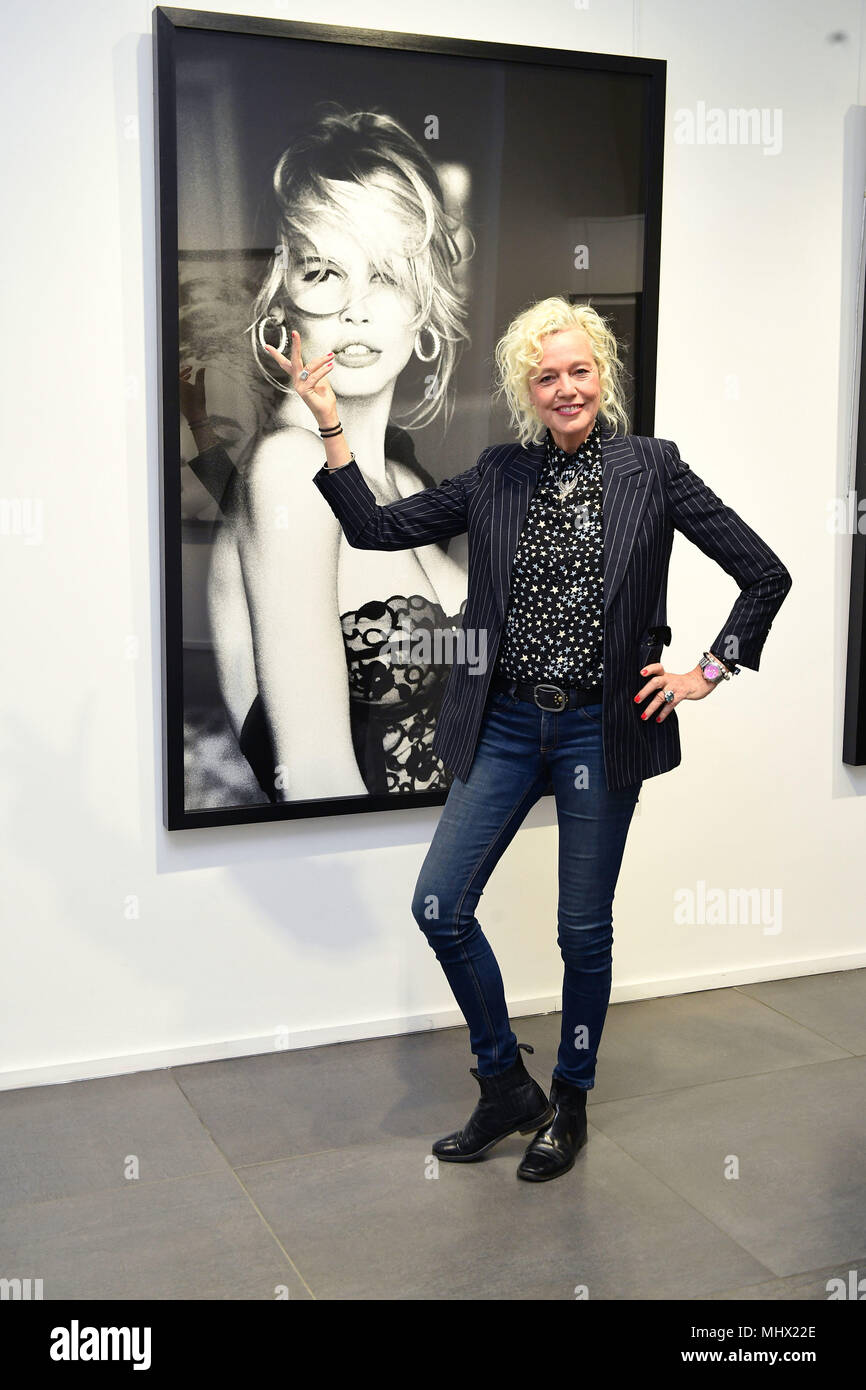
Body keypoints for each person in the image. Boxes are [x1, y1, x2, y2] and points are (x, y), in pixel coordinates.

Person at [273, 295, 793, 1183]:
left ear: (604, 376)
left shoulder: (652, 469)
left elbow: (763, 572)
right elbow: (375, 527)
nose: (565, 388)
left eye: (579, 371)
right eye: (545, 376)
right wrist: (329, 421)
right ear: (526, 389)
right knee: (440, 904)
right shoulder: (498, 474)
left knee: (581, 933)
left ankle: (572, 1099)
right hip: (508, 720)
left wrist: (706, 670)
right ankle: (504, 1084)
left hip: (601, 729)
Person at [180, 104, 473, 803]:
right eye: (324, 272)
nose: (357, 309)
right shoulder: (289, 471)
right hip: (376, 896)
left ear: (424, 300)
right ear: (281, 297)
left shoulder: (401, 479)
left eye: (388, 273)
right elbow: (315, 779)